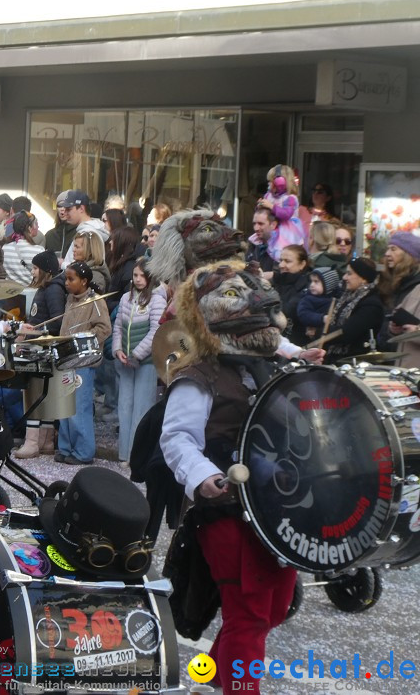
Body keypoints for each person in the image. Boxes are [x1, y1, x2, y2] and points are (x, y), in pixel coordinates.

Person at [161, 261, 297, 694]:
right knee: (250, 614)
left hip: (274, 507)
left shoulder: (268, 363)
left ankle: (213, 682)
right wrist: (202, 477)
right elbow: (178, 438)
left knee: (272, 608)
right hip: (224, 507)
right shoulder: (197, 376)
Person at [12, 250, 68, 459]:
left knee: (34, 393)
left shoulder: (52, 290)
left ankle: (33, 442)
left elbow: (57, 321)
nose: (33, 272)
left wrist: (36, 331)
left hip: (41, 349)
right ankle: (44, 441)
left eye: (36, 268)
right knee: (41, 395)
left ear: (46, 270)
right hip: (37, 346)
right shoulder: (46, 289)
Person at [54, 261, 110, 465]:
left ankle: (83, 452)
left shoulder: (96, 301)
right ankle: (66, 447)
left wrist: (82, 340)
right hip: (66, 360)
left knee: (79, 407)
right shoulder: (70, 299)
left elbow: (104, 329)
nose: (67, 283)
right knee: (65, 407)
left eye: (72, 279)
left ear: (84, 281)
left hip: (84, 362)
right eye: (66, 278)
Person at [112, 258, 166, 465]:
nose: (138, 279)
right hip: (125, 360)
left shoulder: (157, 300)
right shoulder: (126, 297)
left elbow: (156, 331)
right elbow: (117, 327)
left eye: (143, 275)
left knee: (142, 409)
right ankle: (124, 453)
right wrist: (117, 350)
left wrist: (136, 353)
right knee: (124, 406)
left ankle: (137, 456)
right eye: (135, 275)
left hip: (146, 362)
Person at [324, 258, 385, 363]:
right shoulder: (347, 297)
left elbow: (346, 333)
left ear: (363, 278)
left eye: (349, 274)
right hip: (337, 359)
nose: (344, 277)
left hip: (355, 362)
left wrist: (321, 332)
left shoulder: (371, 304)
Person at [379, 231, 420, 368]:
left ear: (408, 255)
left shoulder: (413, 285)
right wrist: (393, 329)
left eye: (393, 249)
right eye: (387, 248)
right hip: (398, 363)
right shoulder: (395, 284)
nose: (387, 254)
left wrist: (415, 331)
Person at [259, 164, 305, 257]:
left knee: (282, 255)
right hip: (271, 230)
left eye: (270, 181)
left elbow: (286, 214)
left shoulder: (290, 198)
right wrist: (260, 206)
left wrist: (272, 206)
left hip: (286, 234)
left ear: (280, 182)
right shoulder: (268, 195)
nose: (268, 184)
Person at [272, 244, 312, 341]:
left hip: (297, 342)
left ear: (302, 264)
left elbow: (289, 311)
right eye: (281, 260)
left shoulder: (309, 286)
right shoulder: (277, 282)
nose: (281, 265)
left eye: (287, 261)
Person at [58, 189, 108, 265]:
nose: (65, 213)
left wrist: (62, 264)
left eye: (69, 209)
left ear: (81, 209)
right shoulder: (87, 230)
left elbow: (84, 268)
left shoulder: (88, 233)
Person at [295, 266, 340, 343]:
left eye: (316, 282)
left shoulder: (338, 298)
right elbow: (303, 314)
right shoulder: (308, 299)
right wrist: (321, 318)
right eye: (311, 281)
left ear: (329, 284)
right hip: (313, 340)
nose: (311, 285)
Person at [2, 211, 44, 286]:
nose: (38, 226)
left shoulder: (5, 249)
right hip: (31, 293)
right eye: (36, 223)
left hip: (9, 293)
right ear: (29, 228)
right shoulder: (39, 250)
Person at [71, 230, 110, 298]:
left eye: (77, 247)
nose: (73, 250)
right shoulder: (73, 268)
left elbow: (90, 304)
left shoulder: (96, 277)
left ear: (89, 250)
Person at [45, 192, 79, 262]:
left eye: (66, 206)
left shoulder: (80, 233)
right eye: (59, 205)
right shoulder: (50, 235)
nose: (62, 209)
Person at [246, 207, 278, 278]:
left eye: (261, 224)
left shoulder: (282, 248)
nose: (256, 228)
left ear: (273, 225)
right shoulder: (252, 245)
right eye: (254, 224)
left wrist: (273, 276)